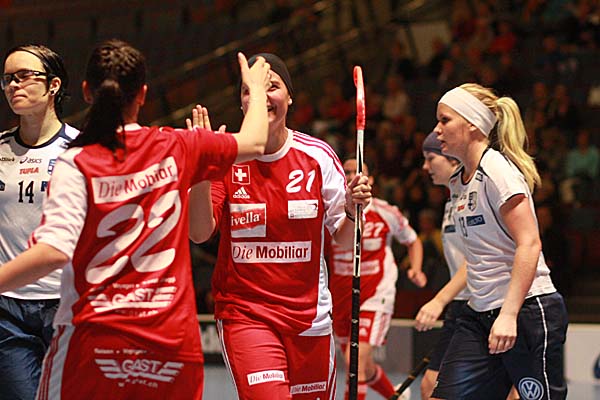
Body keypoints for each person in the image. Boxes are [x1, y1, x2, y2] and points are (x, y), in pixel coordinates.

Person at [0, 39, 272, 399]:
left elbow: (53, 251)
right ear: (143, 94)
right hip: (170, 339)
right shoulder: (179, 146)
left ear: (86, 92)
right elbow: (255, 142)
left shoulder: (77, 161)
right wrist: (255, 90)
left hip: (97, 336)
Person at [189, 53, 372, 399]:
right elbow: (198, 232)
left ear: (290, 97)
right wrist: (201, 168)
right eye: (250, 90)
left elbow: (346, 241)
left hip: (310, 321)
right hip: (247, 316)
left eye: (271, 86)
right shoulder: (225, 157)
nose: (260, 96)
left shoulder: (318, 157)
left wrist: (351, 210)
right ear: (242, 103)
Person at [430, 83, 568, 400]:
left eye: (445, 120)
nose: (437, 130)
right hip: (478, 315)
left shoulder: (497, 171)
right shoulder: (457, 181)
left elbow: (529, 243)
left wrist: (508, 314)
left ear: (473, 124)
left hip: (526, 310)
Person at [0, 44, 78, 400]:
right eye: (7, 79)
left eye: (24, 76)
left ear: (53, 86)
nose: (14, 85)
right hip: (8, 309)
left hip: (68, 303)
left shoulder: (81, 148)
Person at [326, 158, 425, 400]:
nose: (351, 176)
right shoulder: (331, 211)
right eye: (346, 172)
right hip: (341, 297)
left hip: (376, 294)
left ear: (369, 180)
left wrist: (416, 269)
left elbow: (412, 240)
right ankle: (395, 396)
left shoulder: (385, 212)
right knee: (364, 366)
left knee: (355, 361)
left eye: (357, 172)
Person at [416, 132, 468, 400]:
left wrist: (439, 300)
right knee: (430, 386)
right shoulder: (451, 201)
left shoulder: (474, 197)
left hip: (487, 304)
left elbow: (478, 259)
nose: (425, 166)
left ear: (453, 160)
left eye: (431, 158)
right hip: (460, 304)